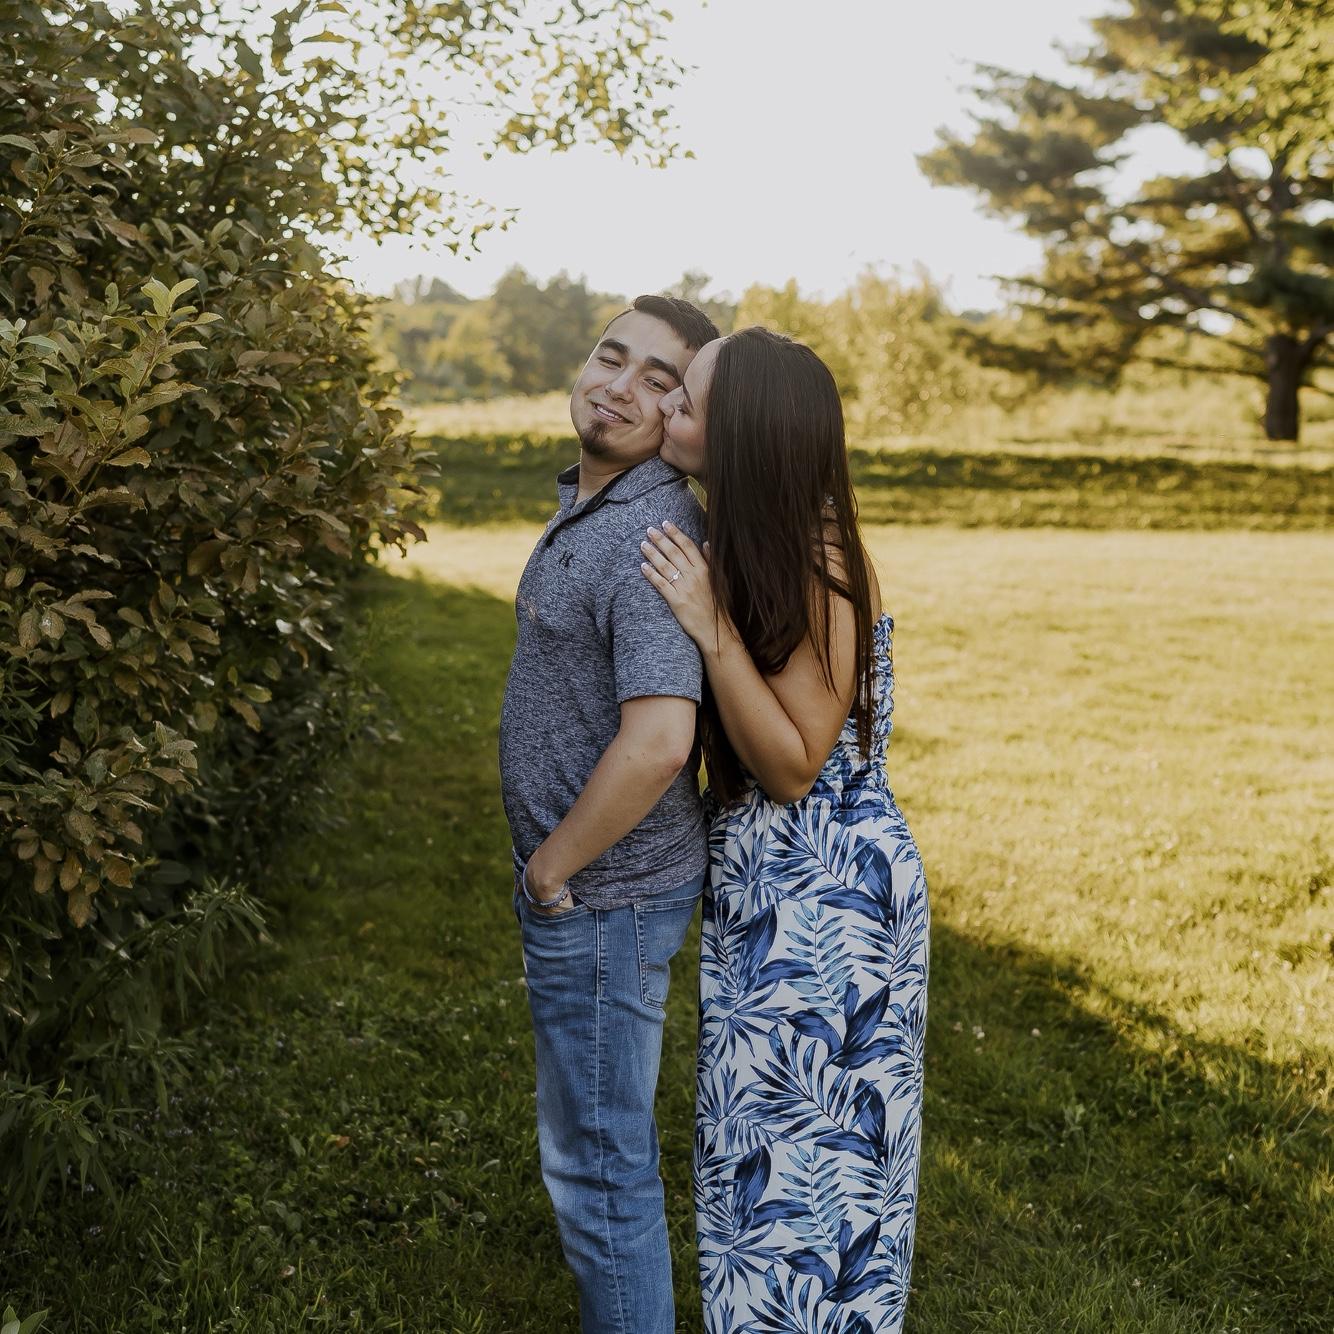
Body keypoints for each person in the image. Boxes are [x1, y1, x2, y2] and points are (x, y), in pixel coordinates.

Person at [640, 326, 930, 1334]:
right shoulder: (760, 540)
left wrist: (708, 622)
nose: (667, 406)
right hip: (772, 883)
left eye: (687, 399)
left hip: (830, 898)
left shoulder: (820, 557)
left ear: (745, 435)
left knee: (814, 1177)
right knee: (753, 1153)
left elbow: (795, 763)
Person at [499, 294, 721, 1334]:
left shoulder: (649, 532)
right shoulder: (596, 500)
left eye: (658, 381)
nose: (619, 388)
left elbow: (662, 739)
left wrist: (552, 869)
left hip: (602, 895)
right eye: (610, 356)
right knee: (593, 1151)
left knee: (599, 1170)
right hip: (594, 892)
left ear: (681, 412)